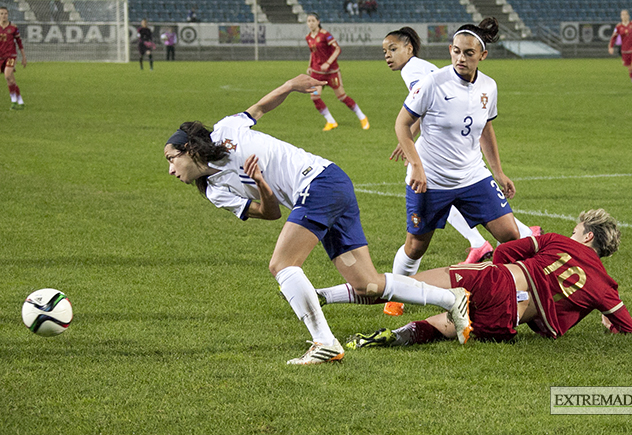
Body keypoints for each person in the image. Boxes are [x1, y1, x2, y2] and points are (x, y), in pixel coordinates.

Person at [164, 74, 474, 365]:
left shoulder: (225, 131)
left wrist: (289, 85)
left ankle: (324, 343)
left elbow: (258, 108)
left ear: (189, 149)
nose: (170, 169)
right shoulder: (214, 190)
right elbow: (269, 213)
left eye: (171, 158)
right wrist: (261, 184)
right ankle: (451, 299)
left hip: (321, 181)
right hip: (326, 190)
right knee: (367, 284)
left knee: (282, 265)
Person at [380, 27, 541, 316]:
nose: (460, 58)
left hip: (472, 176)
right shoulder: (432, 83)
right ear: (450, 50)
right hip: (431, 180)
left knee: (511, 234)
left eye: (468, 53)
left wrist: (498, 172)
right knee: (416, 246)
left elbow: (486, 128)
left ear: (482, 55)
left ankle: (531, 288)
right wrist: (416, 165)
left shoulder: (488, 87)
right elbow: (402, 124)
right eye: (456, 51)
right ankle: (396, 295)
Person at [333, 209, 632, 348]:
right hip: (507, 320)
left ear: (586, 236)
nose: (572, 232)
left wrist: (498, 275)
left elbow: (506, 249)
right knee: (444, 326)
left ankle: (322, 295)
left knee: (399, 285)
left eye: (576, 229)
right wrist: (608, 321)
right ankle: (398, 335)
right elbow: (630, 328)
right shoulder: (604, 287)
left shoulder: (560, 241)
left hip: (496, 281)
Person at [305, 12, 369, 131]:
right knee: (314, 97)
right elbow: (312, 53)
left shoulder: (325, 35)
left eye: (313, 21)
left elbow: (337, 49)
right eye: (309, 21)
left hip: (331, 72)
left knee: (342, 97)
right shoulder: (308, 37)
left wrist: (328, 63)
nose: (311, 23)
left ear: (318, 22)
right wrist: (310, 66)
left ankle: (362, 117)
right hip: (316, 73)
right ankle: (331, 121)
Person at [608, 10, 632, 90]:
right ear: (621, 16)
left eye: (625, 14)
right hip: (625, 50)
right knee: (630, 68)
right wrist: (610, 47)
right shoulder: (618, 27)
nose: (624, 16)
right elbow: (613, 37)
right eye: (622, 15)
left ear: (628, 16)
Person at [0, 6, 27, 110]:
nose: (3, 16)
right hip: (1, 56)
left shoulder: (13, 28)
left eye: (5, 14)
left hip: (11, 55)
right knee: (10, 80)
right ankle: (17, 101)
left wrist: (23, 57)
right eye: (1, 14)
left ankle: (15, 101)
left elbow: (19, 43)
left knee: (7, 75)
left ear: (8, 15)